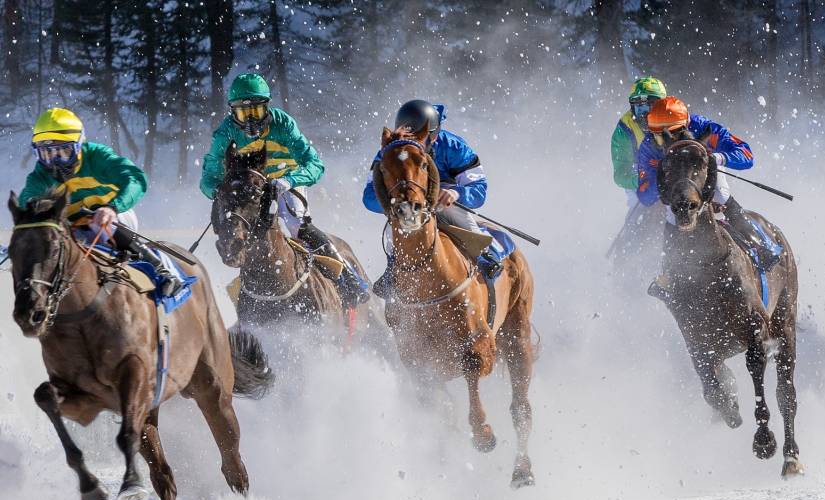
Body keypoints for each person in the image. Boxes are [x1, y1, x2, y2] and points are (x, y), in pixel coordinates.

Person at [200, 72, 367, 306]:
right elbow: (208, 176)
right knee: (236, 226)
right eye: (242, 113)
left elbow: (315, 165)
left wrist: (290, 180)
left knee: (296, 223)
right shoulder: (225, 132)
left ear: (267, 108)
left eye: (255, 112)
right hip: (249, 192)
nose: (250, 121)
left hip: (285, 183)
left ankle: (348, 279)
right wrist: (219, 191)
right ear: (232, 112)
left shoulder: (283, 123)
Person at [19, 107, 182, 296]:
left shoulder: (97, 156)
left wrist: (112, 207)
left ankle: (160, 269)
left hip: (114, 216)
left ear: (79, 145)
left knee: (101, 224)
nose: (55, 162)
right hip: (71, 228)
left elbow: (136, 178)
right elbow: (27, 202)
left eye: (63, 152)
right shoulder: (40, 175)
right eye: (46, 154)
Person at [362, 99, 495, 299]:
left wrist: (457, 193)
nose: (413, 142)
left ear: (434, 135)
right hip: (407, 204)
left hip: (446, 201)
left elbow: (479, 189)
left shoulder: (454, 147)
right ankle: (392, 269)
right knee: (394, 226)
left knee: (458, 214)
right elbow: (369, 196)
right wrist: (395, 203)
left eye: (419, 137)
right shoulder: (390, 152)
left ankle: (485, 258)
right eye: (408, 135)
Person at [636, 96, 778, 268]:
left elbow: (746, 155)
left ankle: (764, 246)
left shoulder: (703, 127)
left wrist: (719, 157)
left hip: (704, 174)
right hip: (675, 183)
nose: (667, 139)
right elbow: (644, 194)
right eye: (659, 136)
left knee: (721, 195)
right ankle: (668, 272)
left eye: (673, 133)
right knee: (671, 213)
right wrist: (661, 175)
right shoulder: (648, 146)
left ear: (686, 125)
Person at [611, 76, 667, 205]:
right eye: (639, 107)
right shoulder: (624, 130)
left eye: (651, 105)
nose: (645, 113)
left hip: (680, 173)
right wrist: (644, 177)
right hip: (642, 180)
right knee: (638, 212)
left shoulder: (677, 117)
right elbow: (621, 173)